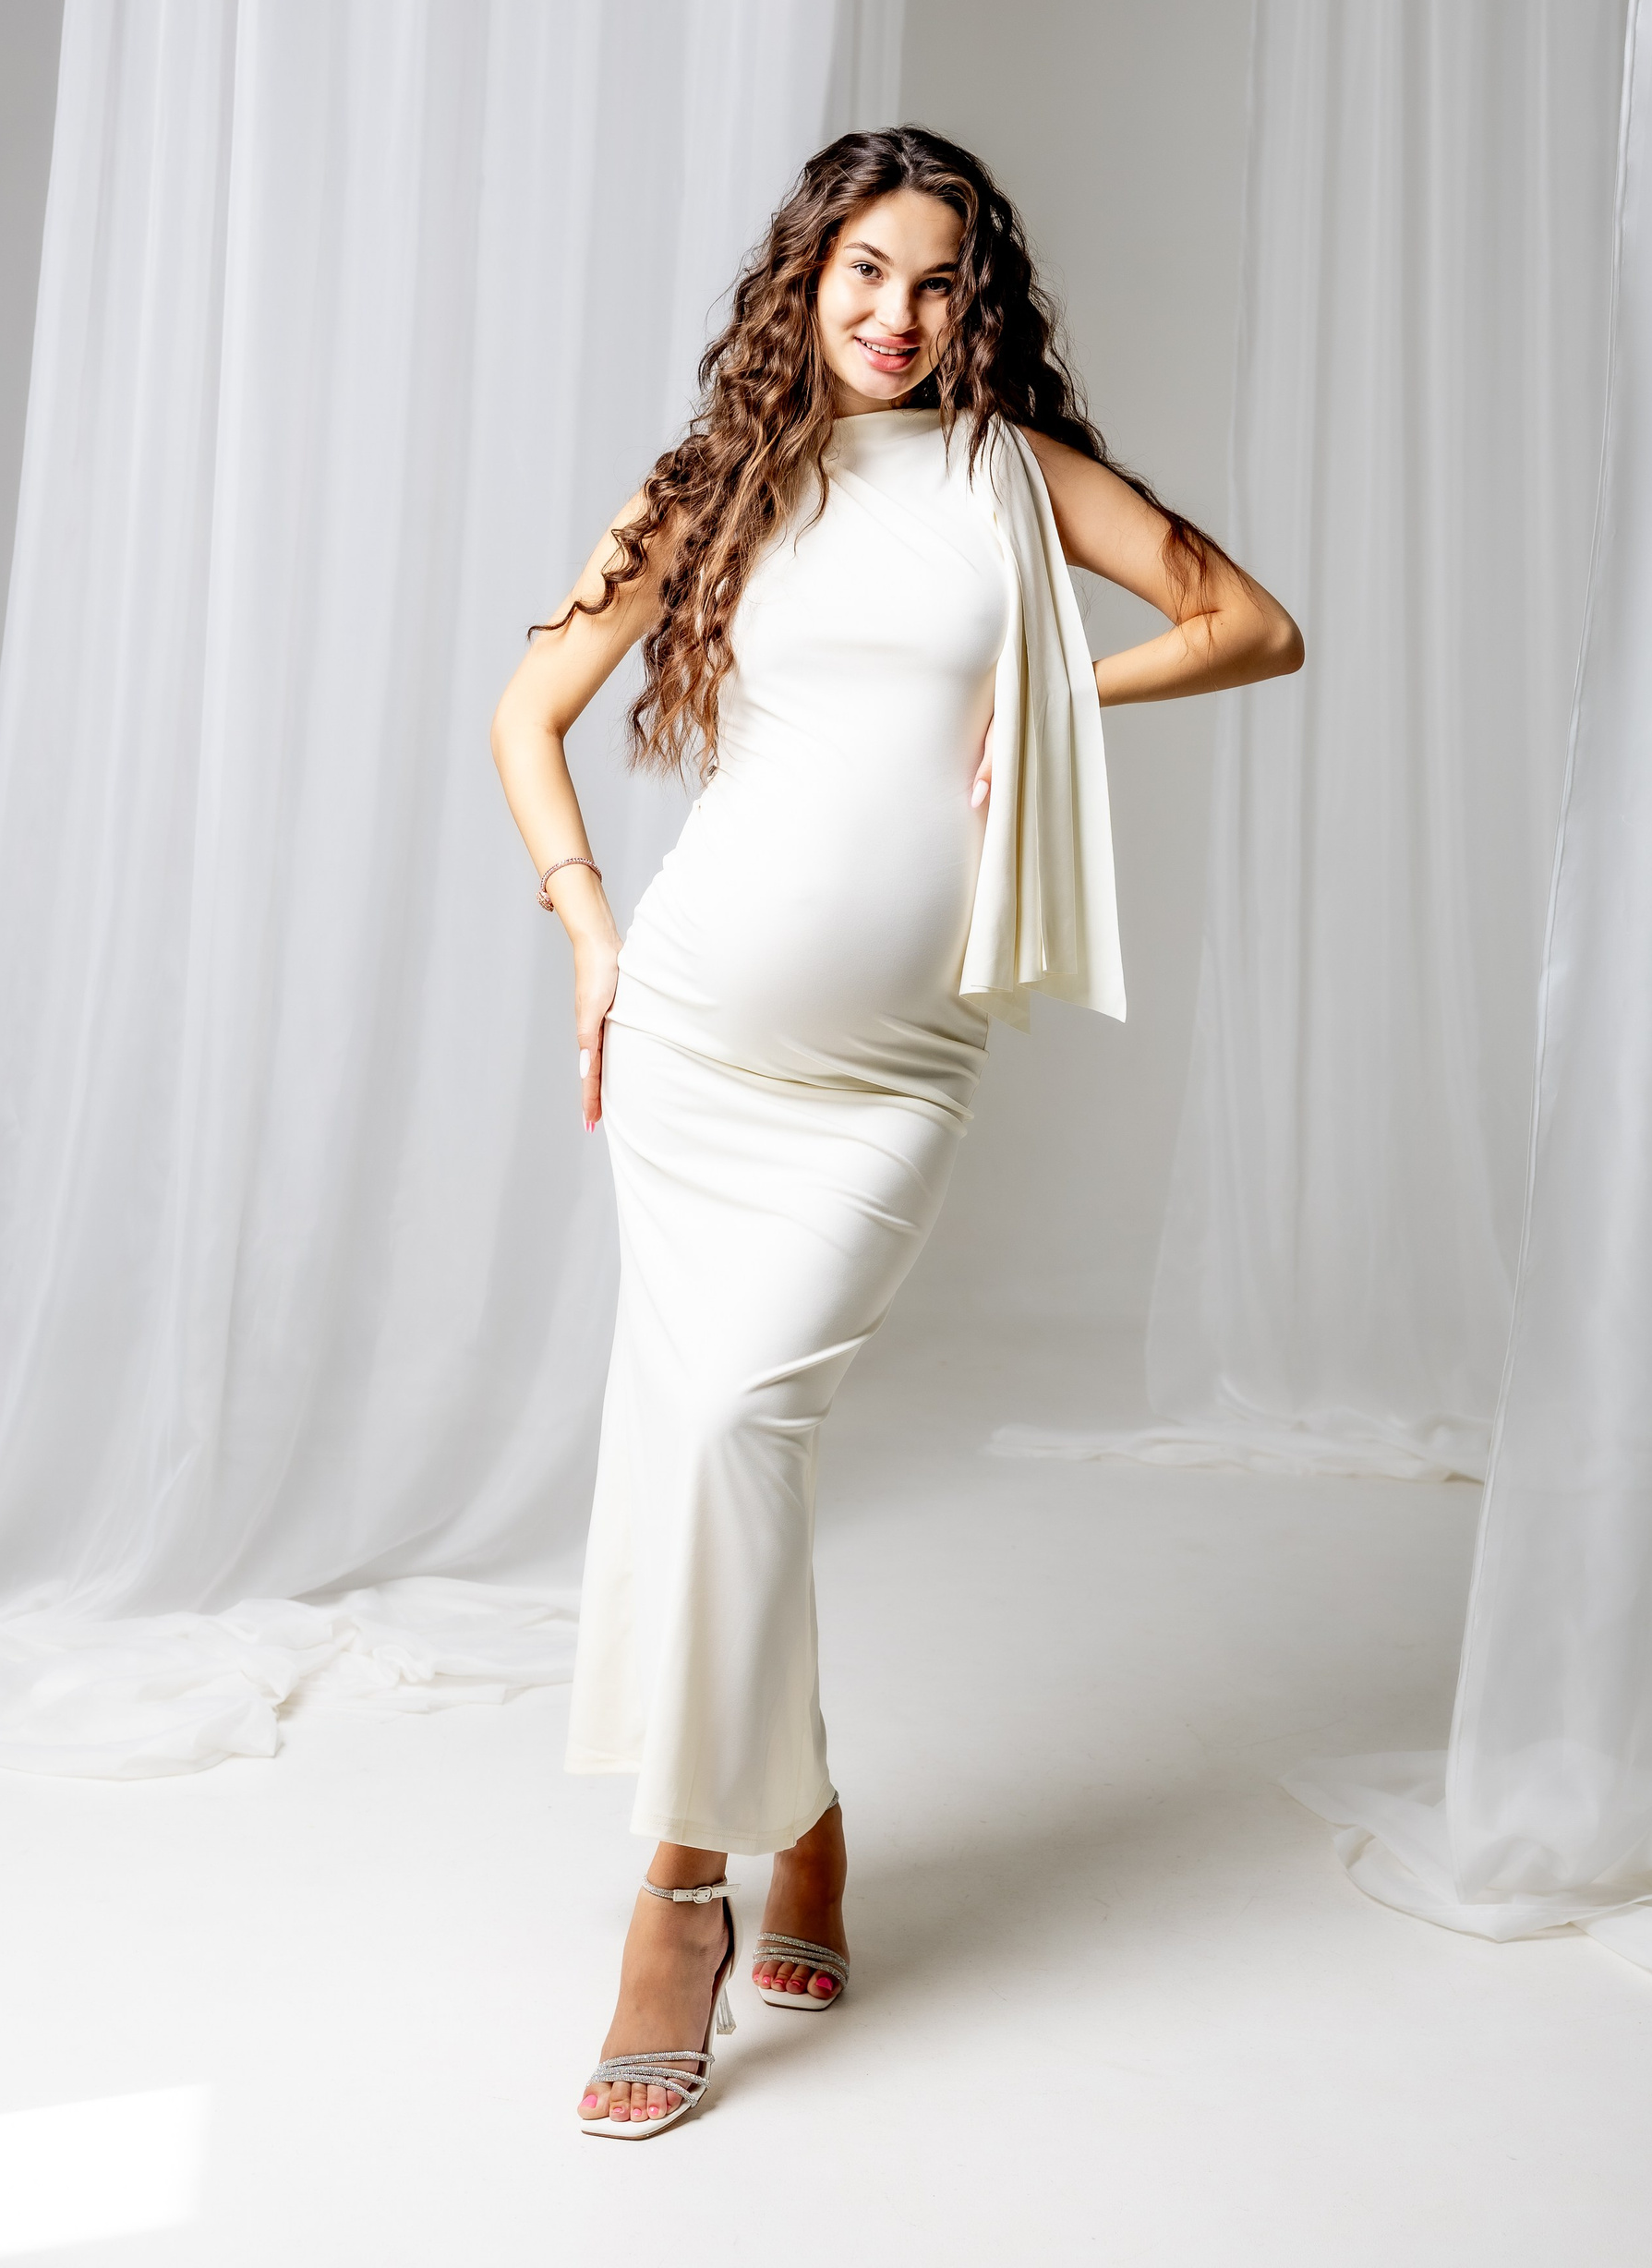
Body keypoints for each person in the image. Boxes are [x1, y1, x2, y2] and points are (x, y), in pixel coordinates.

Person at [489, 126, 1302, 2136]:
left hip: (889, 1070)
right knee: (718, 1450)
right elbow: (528, 711)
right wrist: (589, 930)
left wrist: (1058, 696)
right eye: (866, 270)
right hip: (691, 1045)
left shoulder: (1014, 477)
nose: (897, 313)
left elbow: (1251, 624)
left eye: (938, 281)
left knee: (732, 1425)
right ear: (809, 277)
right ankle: (724, 1867)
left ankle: (742, 1846)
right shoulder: (716, 483)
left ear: (976, 303)